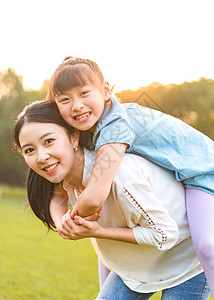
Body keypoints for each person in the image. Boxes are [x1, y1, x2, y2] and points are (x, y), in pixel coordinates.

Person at [47, 56, 214, 295]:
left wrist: (71, 222)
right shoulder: (88, 127)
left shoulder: (116, 123)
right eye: (65, 99)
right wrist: (64, 219)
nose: (76, 105)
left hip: (203, 171)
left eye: (84, 93)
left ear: (106, 90)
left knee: (206, 246)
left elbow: (96, 192)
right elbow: (57, 191)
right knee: (106, 251)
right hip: (178, 175)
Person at [14, 100, 210, 299]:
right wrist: (62, 222)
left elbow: (165, 234)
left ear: (74, 138)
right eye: (29, 150)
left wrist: (99, 231)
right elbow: (55, 194)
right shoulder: (65, 178)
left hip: (186, 264)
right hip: (135, 269)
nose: (41, 156)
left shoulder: (121, 174)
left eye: (49, 141)